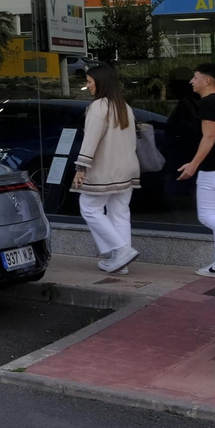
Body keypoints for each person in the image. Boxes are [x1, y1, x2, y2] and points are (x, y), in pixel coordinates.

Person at [74, 64, 140, 273]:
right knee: (119, 213)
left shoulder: (99, 107)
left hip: (105, 170)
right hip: (127, 169)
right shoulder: (124, 106)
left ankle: (121, 251)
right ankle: (121, 262)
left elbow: (90, 140)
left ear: (100, 82)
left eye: (90, 81)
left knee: (89, 208)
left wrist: (81, 168)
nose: (88, 85)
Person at [178, 62, 215, 279]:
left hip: (213, 170)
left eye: (195, 77)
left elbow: (209, 136)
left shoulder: (207, 104)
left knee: (207, 216)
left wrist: (193, 164)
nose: (192, 81)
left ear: (207, 81)